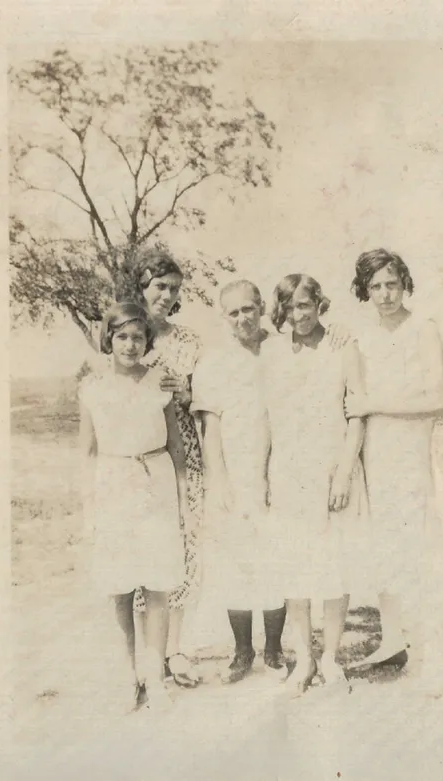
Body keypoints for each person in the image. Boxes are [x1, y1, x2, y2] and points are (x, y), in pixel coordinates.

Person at [344, 248, 443, 690]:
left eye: (391, 284)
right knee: (383, 548)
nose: (385, 294)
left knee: (419, 549)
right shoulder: (361, 336)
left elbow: (436, 399)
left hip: (412, 449)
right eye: (375, 287)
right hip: (375, 452)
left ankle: (434, 655)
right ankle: (392, 640)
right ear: (364, 291)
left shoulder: (424, 328)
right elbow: (353, 396)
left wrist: (373, 404)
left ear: (404, 283)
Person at [79, 302, 188, 711]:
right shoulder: (92, 388)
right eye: (121, 336)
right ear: (108, 339)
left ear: (148, 341)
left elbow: (176, 446)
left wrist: (183, 503)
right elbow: (87, 452)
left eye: (138, 337)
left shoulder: (161, 382)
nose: (129, 345)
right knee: (120, 587)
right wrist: (89, 510)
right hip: (113, 485)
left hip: (156, 482)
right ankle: (128, 675)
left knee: (158, 584)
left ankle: (155, 677)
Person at [263, 274, 367, 696]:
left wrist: (344, 472)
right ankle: (304, 659)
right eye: (290, 307)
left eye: (305, 305)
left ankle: (330, 659)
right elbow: (268, 416)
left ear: (319, 303)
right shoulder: (273, 351)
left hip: (332, 469)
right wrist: (266, 473)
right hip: (289, 473)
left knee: (334, 563)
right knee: (295, 564)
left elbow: (357, 413)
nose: (298, 315)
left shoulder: (343, 346)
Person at [191, 280, 288, 684]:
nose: (242, 318)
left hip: (280, 469)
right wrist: (220, 481)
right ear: (224, 317)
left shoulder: (283, 349)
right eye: (233, 312)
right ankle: (243, 651)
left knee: (276, 559)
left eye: (248, 309)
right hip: (235, 471)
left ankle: (275, 649)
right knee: (236, 563)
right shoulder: (213, 362)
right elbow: (209, 428)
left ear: (262, 307)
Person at [131, 248, 203, 688]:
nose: (167, 295)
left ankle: (174, 648)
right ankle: (147, 652)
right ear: (142, 286)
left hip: (184, 452)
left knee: (184, 543)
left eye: (174, 289)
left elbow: (204, 398)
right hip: (141, 454)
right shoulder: (128, 333)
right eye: (160, 286)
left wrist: (187, 393)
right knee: (144, 545)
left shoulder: (189, 341)